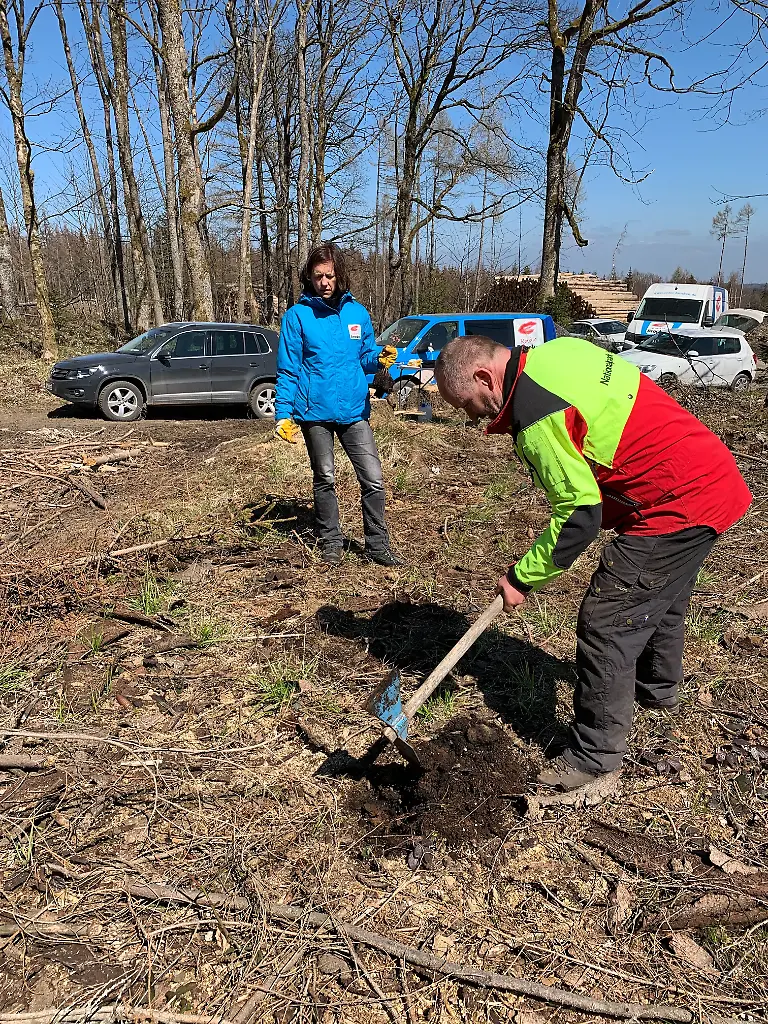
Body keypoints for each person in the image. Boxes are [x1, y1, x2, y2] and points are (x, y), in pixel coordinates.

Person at [435, 334, 751, 792]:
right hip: (708, 473)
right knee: (659, 591)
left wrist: (523, 577)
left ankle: (595, 759)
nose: (471, 415)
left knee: (608, 621)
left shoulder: (536, 412)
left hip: (676, 500)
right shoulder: (558, 353)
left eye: (467, 402)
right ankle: (657, 691)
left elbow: (580, 517)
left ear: (485, 376)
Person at [274, 242, 400, 566]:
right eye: (318, 277)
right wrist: (283, 415)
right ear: (309, 278)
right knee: (325, 477)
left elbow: (365, 356)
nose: (324, 282)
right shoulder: (297, 317)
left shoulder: (357, 313)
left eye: (329, 275)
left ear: (339, 275)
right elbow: (288, 370)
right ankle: (331, 542)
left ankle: (377, 545)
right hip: (314, 412)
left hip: (354, 410)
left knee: (373, 478)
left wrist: (380, 357)